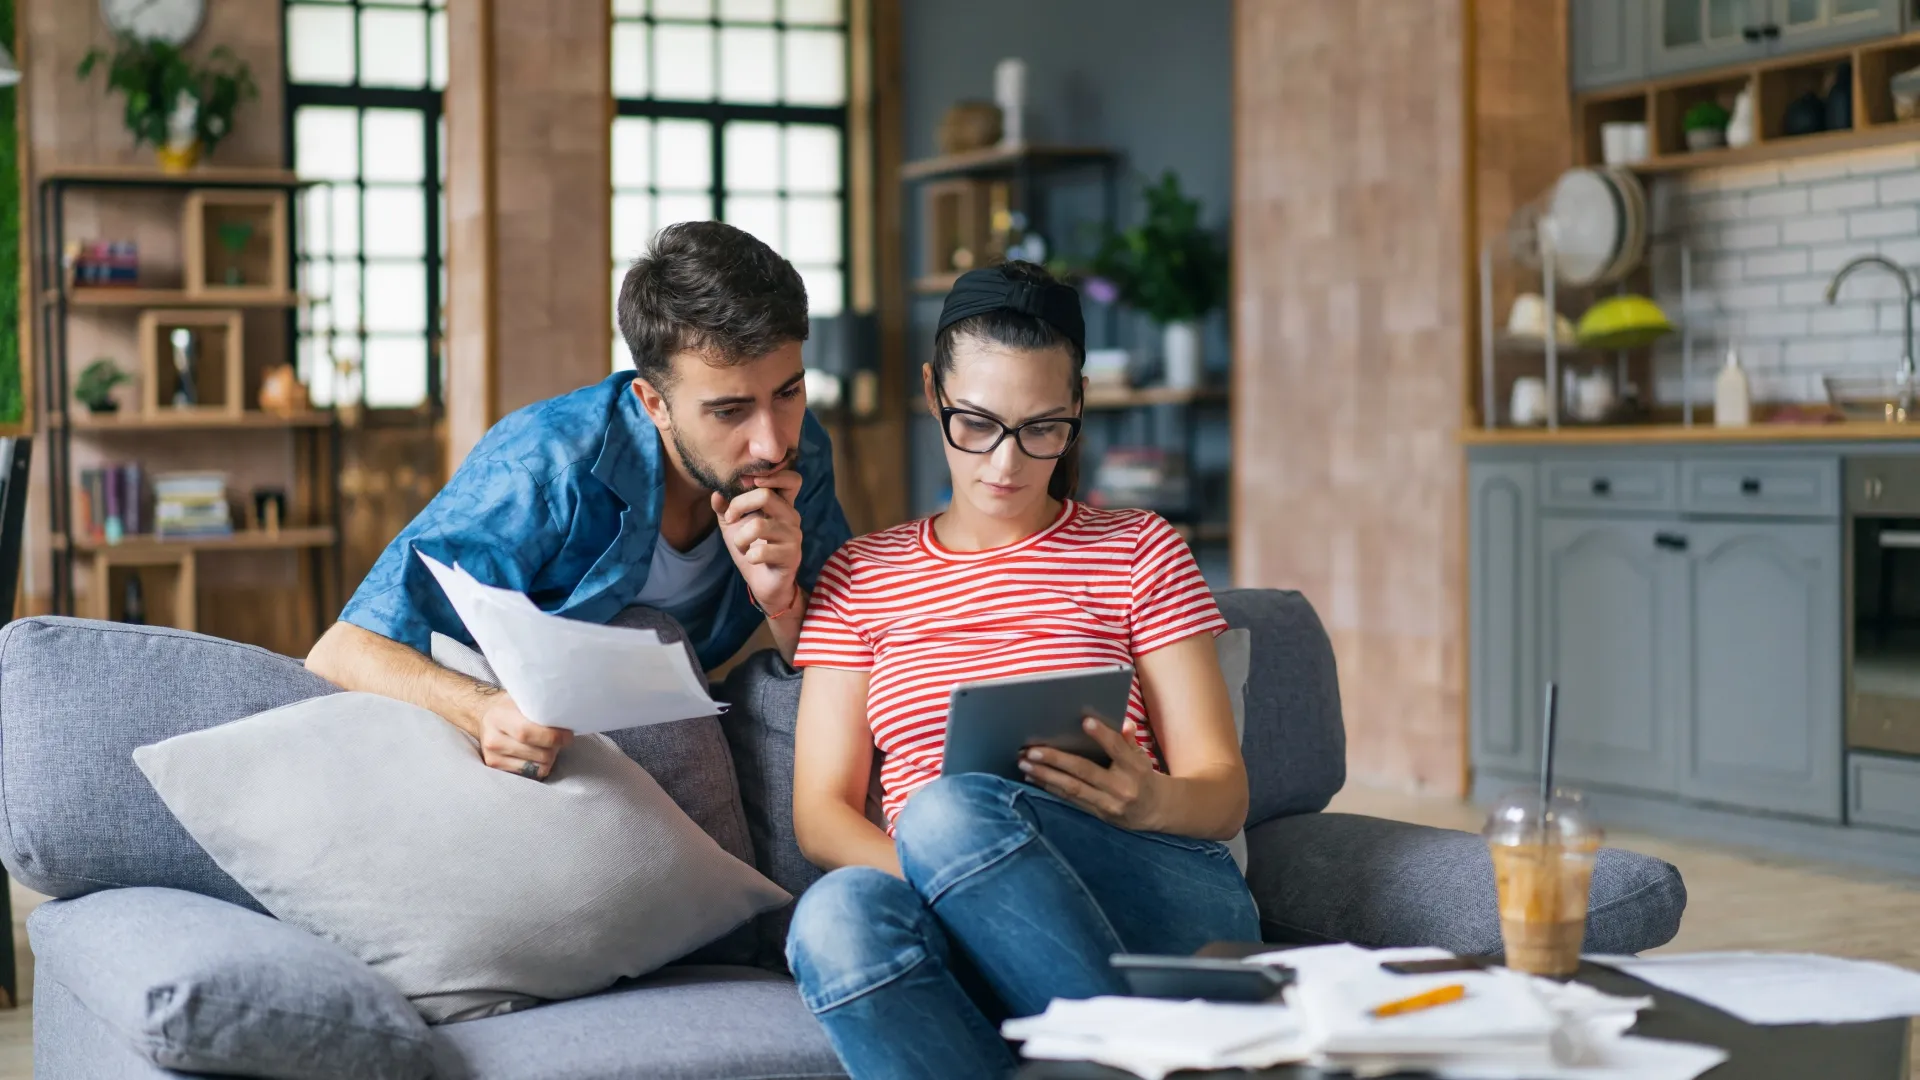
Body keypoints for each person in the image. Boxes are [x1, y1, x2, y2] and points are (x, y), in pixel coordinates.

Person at [784, 261, 1257, 1078]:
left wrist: (1151, 800)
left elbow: (1224, 792)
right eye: (977, 423)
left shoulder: (1140, 550)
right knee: (835, 916)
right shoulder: (861, 575)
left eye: (1042, 428)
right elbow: (821, 815)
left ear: (1076, 410)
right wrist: (951, 885)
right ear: (934, 393)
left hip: (1150, 885)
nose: (1005, 464)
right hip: (944, 890)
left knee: (944, 813)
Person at [306, 221, 852, 780]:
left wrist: (781, 601)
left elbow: (844, 651)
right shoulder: (545, 464)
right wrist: (482, 709)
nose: (772, 441)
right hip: (521, 740)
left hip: (674, 720)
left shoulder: (799, 448)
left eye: (788, 392)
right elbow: (343, 650)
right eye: (729, 411)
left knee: (805, 700)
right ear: (653, 404)